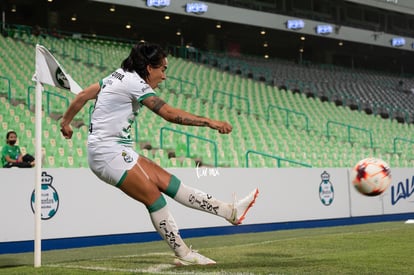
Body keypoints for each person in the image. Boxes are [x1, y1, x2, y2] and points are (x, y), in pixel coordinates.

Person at [60, 42, 259, 266]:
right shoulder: (135, 83)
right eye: (162, 69)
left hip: (118, 149)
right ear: (148, 68)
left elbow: (84, 95)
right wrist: (209, 122)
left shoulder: (118, 75)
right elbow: (169, 114)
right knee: (154, 198)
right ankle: (184, 254)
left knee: (171, 184)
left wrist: (66, 122)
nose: (164, 76)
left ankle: (229, 212)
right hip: (107, 154)